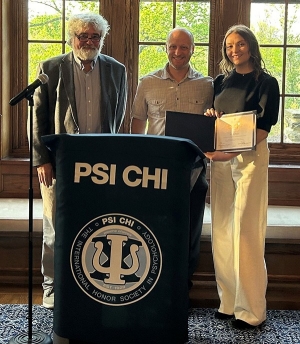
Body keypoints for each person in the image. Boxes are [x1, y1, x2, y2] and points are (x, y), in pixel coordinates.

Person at [31, 13, 127, 309]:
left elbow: (118, 115)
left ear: (102, 39)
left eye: (94, 36)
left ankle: (89, 284)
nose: (88, 41)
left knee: (95, 224)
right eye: (82, 36)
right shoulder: (50, 68)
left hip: (99, 165)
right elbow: (38, 118)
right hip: (58, 162)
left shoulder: (117, 70)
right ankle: (52, 287)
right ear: (71, 38)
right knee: (55, 226)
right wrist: (41, 159)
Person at [204, 24, 280, 329]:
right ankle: (228, 301)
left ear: (252, 47)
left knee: (246, 231)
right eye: (229, 46)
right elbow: (220, 117)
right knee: (222, 230)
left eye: (240, 44)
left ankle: (251, 311)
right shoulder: (221, 81)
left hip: (249, 158)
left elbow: (263, 129)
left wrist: (231, 154)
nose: (234, 50)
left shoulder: (267, 83)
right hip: (220, 159)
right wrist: (212, 118)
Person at [130, 28, 214, 286]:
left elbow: (215, 126)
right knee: (155, 229)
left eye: (184, 47)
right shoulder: (147, 82)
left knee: (190, 231)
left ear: (193, 49)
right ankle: (154, 283)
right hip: (155, 171)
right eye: (173, 46)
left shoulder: (208, 85)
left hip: (194, 170)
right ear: (165, 47)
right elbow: (137, 124)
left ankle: (182, 288)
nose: (178, 52)